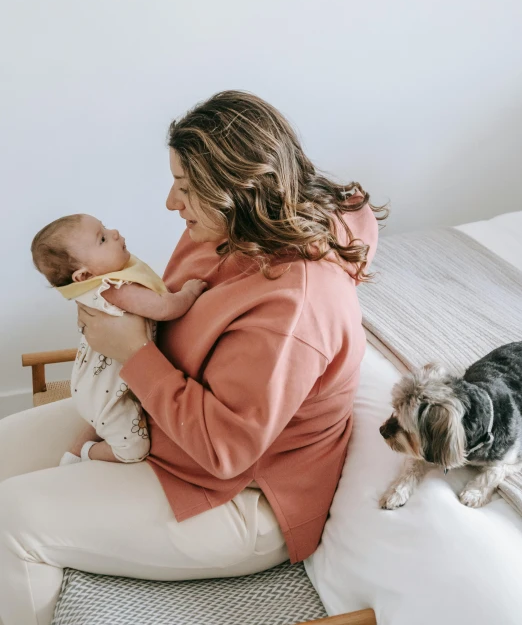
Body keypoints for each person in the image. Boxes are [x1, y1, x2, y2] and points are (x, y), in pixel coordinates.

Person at [0, 91, 384, 625]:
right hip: (151, 418)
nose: (169, 203)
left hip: (238, 495)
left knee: (10, 520)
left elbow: (224, 451)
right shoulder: (226, 233)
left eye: (184, 188)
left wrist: (132, 351)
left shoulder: (294, 306)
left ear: (240, 191)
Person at [30, 212, 206, 465]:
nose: (114, 233)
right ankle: (87, 452)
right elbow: (166, 308)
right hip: (109, 392)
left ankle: (71, 453)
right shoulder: (114, 289)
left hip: (95, 389)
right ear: (83, 276)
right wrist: (189, 292)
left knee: (99, 417)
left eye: (105, 228)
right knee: (134, 449)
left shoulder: (94, 289)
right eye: (102, 239)